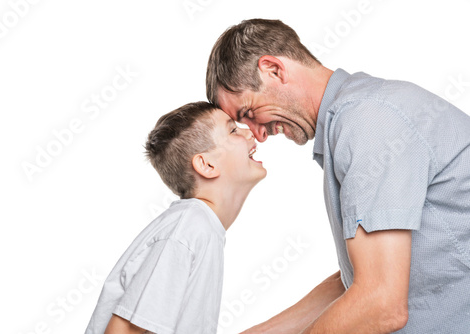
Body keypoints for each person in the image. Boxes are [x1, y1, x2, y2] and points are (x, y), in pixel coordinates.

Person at [206, 18, 470, 334]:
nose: (259, 135)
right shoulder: (356, 118)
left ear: (273, 70)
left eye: (248, 113)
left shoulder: (368, 120)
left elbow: (380, 303)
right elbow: (355, 281)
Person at [84, 101, 266, 334]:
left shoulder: (200, 228)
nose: (248, 131)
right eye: (233, 130)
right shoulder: (190, 227)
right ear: (207, 165)